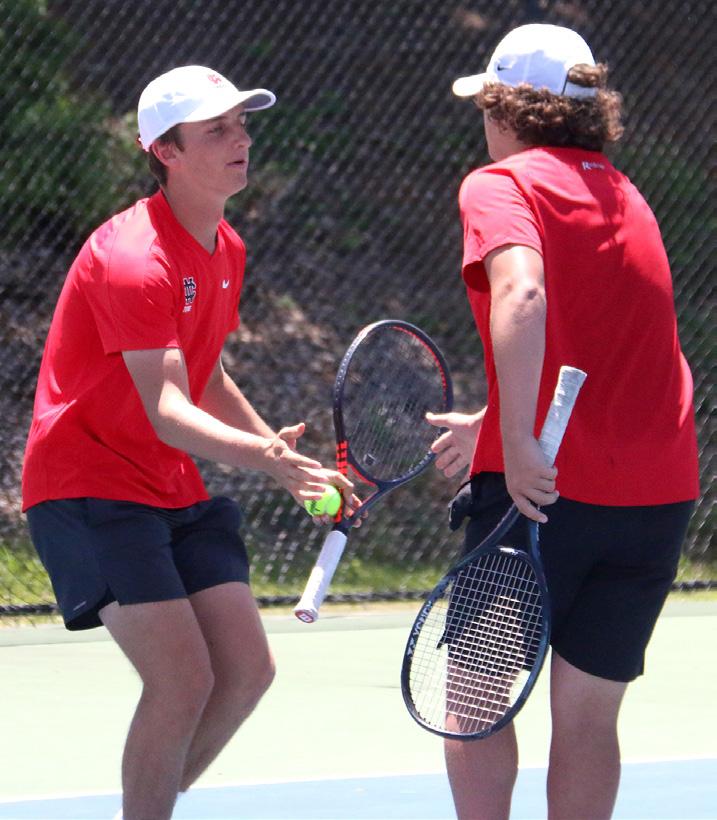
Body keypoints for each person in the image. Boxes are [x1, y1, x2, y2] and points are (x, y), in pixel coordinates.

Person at [21, 65, 355, 820]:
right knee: (181, 681)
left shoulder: (224, 247)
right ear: (165, 152)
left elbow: (203, 376)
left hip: (167, 485)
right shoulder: (135, 258)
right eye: (217, 130)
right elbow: (169, 408)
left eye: (241, 124)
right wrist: (266, 457)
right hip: (88, 486)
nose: (241, 139)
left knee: (245, 672)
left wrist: (283, 461)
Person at [425, 23, 700, 820]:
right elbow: (610, 346)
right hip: (654, 498)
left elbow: (523, 293)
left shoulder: (498, 184)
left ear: (506, 109)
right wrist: (494, 418)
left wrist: (514, 442)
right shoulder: (625, 195)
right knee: (586, 719)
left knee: (475, 700)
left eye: (486, 103)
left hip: (544, 494)